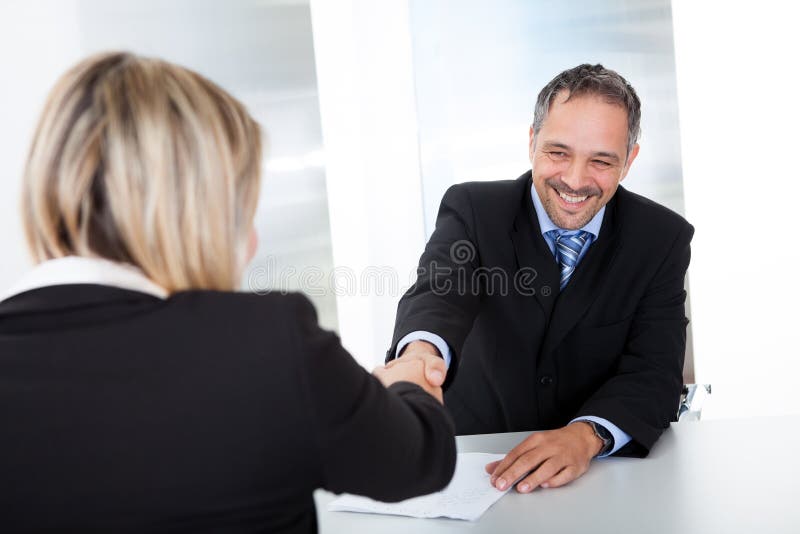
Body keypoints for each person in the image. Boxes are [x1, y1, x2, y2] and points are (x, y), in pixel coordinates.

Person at [0, 52, 456, 533]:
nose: (251, 242)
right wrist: (404, 383)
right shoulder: (267, 344)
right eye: (238, 210)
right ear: (192, 211)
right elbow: (420, 459)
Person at [387, 64, 693, 494]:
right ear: (532, 141)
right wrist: (419, 358)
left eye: (601, 161)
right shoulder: (474, 209)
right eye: (558, 153)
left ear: (629, 161)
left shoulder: (661, 238)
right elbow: (441, 289)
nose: (575, 180)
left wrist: (586, 436)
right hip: (472, 468)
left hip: (597, 481)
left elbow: (655, 371)